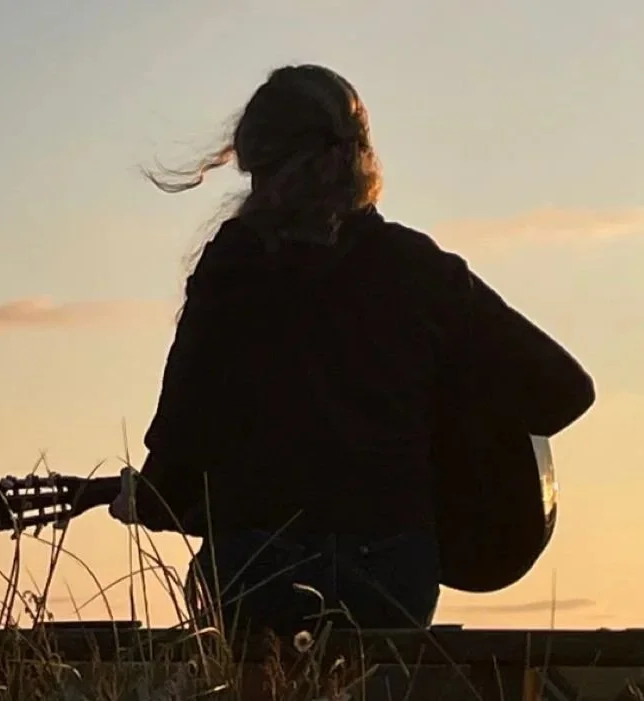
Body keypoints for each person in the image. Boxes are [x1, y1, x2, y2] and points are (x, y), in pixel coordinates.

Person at [109, 64, 595, 636]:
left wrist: (147, 498)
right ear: (360, 157)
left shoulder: (232, 270)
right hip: (392, 576)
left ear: (251, 163)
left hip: (254, 574)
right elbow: (564, 392)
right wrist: (435, 421)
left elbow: (180, 449)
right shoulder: (416, 268)